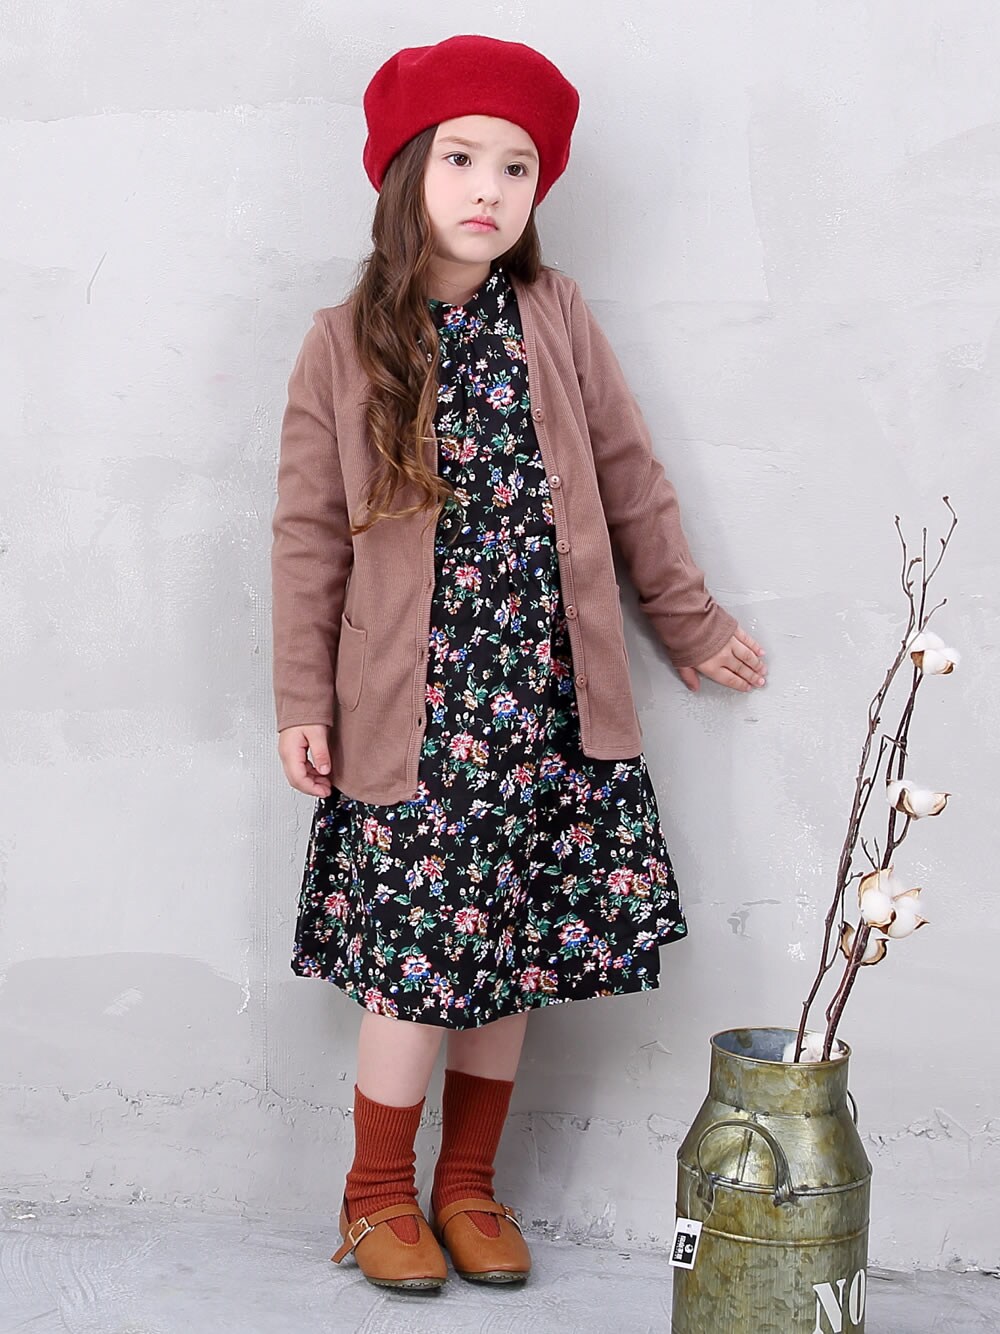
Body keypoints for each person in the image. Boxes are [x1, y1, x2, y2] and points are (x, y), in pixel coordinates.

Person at [270, 33, 767, 1292]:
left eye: (516, 166)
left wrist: (690, 620)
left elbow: (629, 475)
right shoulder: (344, 339)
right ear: (405, 173)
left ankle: (467, 1186)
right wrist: (301, 699)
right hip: (415, 717)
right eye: (460, 158)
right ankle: (374, 1194)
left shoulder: (554, 315)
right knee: (416, 962)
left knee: (513, 951)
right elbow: (307, 537)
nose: (488, 188)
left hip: (542, 703)